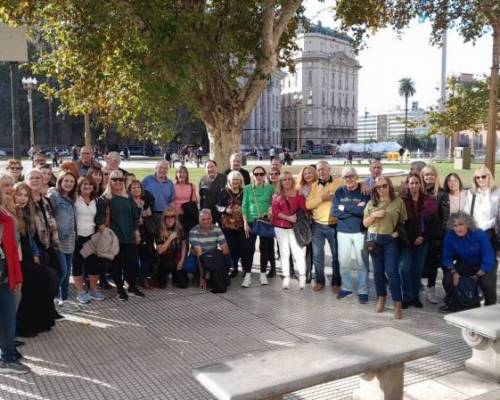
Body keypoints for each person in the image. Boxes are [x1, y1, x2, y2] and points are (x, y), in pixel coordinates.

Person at [14, 182, 56, 337]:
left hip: (28, 253)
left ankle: (40, 323)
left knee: (44, 279)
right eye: (19, 194)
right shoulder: (11, 212)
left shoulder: (27, 211)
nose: (23, 198)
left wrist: (35, 253)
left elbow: (30, 237)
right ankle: (24, 327)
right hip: (17, 255)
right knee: (31, 286)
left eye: (26, 195)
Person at [363, 176, 407, 319]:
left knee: (392, 272)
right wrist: (374, 215)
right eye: (378, 187)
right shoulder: (371, 203)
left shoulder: (398, 202)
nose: (381, 189)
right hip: (374, 240)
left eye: (384, 186)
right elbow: (365, 224)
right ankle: (381, 298)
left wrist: (397, 233)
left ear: (389, 187)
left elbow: (403, 221)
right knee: (377, 272)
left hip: (389, 240)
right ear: (375, 189)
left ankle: (397, 303)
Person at [96, 170, 143, 301]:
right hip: (114, 238)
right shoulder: (105, 199)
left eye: (120, 179)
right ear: (109, 181)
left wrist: (136, 231)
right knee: (117, 265)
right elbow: (99, 219)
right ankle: (120, 289)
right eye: (114, 179)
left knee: (132, 264)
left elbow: (135, 217)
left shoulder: (128, 197)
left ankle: (132, 286)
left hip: (129, 236)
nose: (117, 182)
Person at [0, 185, 30, 374]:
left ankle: (8, 356)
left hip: (5, 275)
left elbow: (12, 251)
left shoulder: (7, 214)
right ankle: (7, 357)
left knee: (8, 318)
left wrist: (16, 275)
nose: (9, 192)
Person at [26, 169, 63, 321]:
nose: (35, 180)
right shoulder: (25, 201)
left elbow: (51, 222)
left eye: (38, 178)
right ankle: (45, 311)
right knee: (47, 278)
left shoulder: (45, 200)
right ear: (27, 181)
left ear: (43, 181)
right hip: (35, 248)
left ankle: (50, 308)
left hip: (50, 245)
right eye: (32, 178)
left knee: (59, 273)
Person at [441, 212, 496, 312]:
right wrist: (454, 273)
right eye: (455, 225)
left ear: (468, 224)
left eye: (461, 224)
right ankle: (452, 302)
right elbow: (446, 257)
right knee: (448, 279)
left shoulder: (479, 234)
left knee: (486, 283)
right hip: (465, 263)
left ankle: (490, 307)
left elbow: (488, 257)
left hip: (484, 265)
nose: (458, 228)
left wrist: (477, 276)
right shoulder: (450, 236)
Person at [331, 167, 370, 303]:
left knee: (362, 263)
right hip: (343, 232)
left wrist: (344, 208)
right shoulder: (339, 192)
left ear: (356, 176)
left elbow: (364, 212)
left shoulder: (364, 191)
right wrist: (354, 208)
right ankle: (347, 288)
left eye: (352, 176)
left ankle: (363, 290)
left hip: (360, 231)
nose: (349, 179)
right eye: (346, 176)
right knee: (344, 262)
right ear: (343, 178)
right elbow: (335, 212)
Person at [399, 174, 438, 309]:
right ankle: (407, 296)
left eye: (417, 183)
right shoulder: (402, 201)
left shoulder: (429, 201)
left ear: (421, 184)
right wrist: (411, 238)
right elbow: (400, 223)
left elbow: (433, 223)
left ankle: (415, 297)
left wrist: (422, 237)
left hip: (423, 241)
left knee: (417, 269)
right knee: (405, 269)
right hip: (407, 241)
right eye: (411, 183)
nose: (414, 186)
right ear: (407, 185)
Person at [306, 161, 343, 292]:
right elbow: (308, 205)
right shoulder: (315, 186)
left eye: (323, 169)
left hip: (334, 225)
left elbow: (351, 188)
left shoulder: (339, 183)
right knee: (317, 255)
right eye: (319, 170)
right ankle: (320, 280)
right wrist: (323, 198)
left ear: (329, 169)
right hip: (318, 225)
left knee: (336, 255)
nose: (321, 172)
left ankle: (336, 282)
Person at [47, 171, 78, 309]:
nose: (69, 184)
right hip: (58, 241)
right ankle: (49, 298)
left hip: (70, 240)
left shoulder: (72, 198)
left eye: (72, 181)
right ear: (60, 181)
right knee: (62, 271)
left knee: (66, 271)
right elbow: (49, 217)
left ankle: (63, 299)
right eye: (66, 180)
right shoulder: (54, 196)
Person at [72, 176, 105, 304]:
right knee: (77, 264)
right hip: (77, 237)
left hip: (91, 237)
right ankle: (80, 291)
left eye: (90, 185)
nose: (87, 187)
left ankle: (93, 289)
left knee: (93, 265)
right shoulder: (74, 199)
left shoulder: (95, 200)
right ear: (80, 186)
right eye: (85, 184)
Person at [272, 171, 307, 289]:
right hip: (280, 227)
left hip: (295, 228)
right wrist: (288, 218)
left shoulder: (298, 194)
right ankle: (286, 276)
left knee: (298, 252)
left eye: (289, 179)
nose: (287, 181)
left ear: (292, 180)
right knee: (284, 253)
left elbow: (304, 210)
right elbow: (275, 212)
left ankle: (302, 276)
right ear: (280, 182)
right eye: (284, 179)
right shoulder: (276, 195)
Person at [242, 166, 275, 287]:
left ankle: (262, 273)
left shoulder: (270, 188)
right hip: (251, 221)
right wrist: (245, 223)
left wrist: (271, 212)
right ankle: (248, 275)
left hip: (265, 222)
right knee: (249, 249)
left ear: (265, 175)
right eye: (256, 174)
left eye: (261, 174)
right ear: (253, 175)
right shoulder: (247, 188)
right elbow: (244, 206)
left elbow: (274, 203)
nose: (259, 176)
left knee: (264, 249)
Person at [420, 165, 449, 304]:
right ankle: (418, 286)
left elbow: (445, 217)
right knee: (419, 262)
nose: (429, 177)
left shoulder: (442, 193)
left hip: (435, 235)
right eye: (426, 175)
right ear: (422, 177)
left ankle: (431, 289)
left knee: (432, 264)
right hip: (419, 233)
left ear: (435, 176)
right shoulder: (418, 191)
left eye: (432, 175)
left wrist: (441, 235)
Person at [216, 171, 249, 278]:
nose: (235, 181)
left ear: (241, 181)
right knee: (232, 247)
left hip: (241, 225)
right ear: (229, 180)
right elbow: (217, 206)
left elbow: (249, 205)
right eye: (233, 179)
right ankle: (234, 267)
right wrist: (225, 209)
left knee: (243, 247)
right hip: (228, 226)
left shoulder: (245, 192)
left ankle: (245, 268)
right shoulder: (223, 191)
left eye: (237, 179)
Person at [189, 209, 230, 290]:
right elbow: (199, 255)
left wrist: (213, 258)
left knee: (229, 261)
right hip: (198, 257)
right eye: (203, 219)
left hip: (211, 255)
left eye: (208, 219)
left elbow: (226, 251)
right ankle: (197, 275)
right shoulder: (193, 231)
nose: (206, 221)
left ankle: (216, 273)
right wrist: (202, 277)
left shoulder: (217, 229)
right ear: (199, 220)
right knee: (189, 266)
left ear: (212, 219)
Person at [129, 179, 156, 289]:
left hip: (146, 232)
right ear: (129, 190)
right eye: (133, 188)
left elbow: (149, 215)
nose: (136, 189)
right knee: (133, 258)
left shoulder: (146, 200)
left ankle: (143, 278)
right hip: (133, 232)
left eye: (138, 187)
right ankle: (132, 280)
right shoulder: (128, 202)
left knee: (147, 256)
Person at [142, 160, 175, 238]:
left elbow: (171, 201)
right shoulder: (147, 180)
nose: (163, 170)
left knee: (162, 237)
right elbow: (139, 193)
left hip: (163, 215)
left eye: (165, 168)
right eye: (160, 168)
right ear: (156, 168)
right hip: (149, 214)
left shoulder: (170, 183)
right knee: (149, 237)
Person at [156, 207, 188, 288]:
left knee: (183, 284)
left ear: (175, 218)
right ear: (164, 218)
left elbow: (184, 245)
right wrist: (170, 238)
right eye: (167, 217)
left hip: (176, 260)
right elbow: (160, 251)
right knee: (162, 286)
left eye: (172, 217)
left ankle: (175, 277)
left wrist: (182, 260)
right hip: (163, 261)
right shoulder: (160, 230)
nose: (170, 219)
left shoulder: (180, 229)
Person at [297, 165, 318, 283]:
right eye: (305, 174)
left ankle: (313, 270)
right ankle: (307, 271)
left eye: (310, 173)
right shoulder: (300, 188)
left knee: (315, 248)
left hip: (318, 220)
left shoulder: (319, 186)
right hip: (305, 221)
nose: (308, 175)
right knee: (306, 247)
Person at [199, 160, 226, 225]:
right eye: (208, 167)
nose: (210, 169)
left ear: (216, 167)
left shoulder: (224, 178)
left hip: (220, 212)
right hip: (208, 213)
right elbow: (201, 197)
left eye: (212, 166)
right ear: (205, 169)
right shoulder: (203, 179)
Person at [173, 166, 198, 230]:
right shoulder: (172, 186)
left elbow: (194, 201)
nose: (182, 174)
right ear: (176, 174)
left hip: (188, 215)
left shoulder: (192, 186)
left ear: (187, 174)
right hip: (175, 215)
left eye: (184, 172)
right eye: (180, 172)